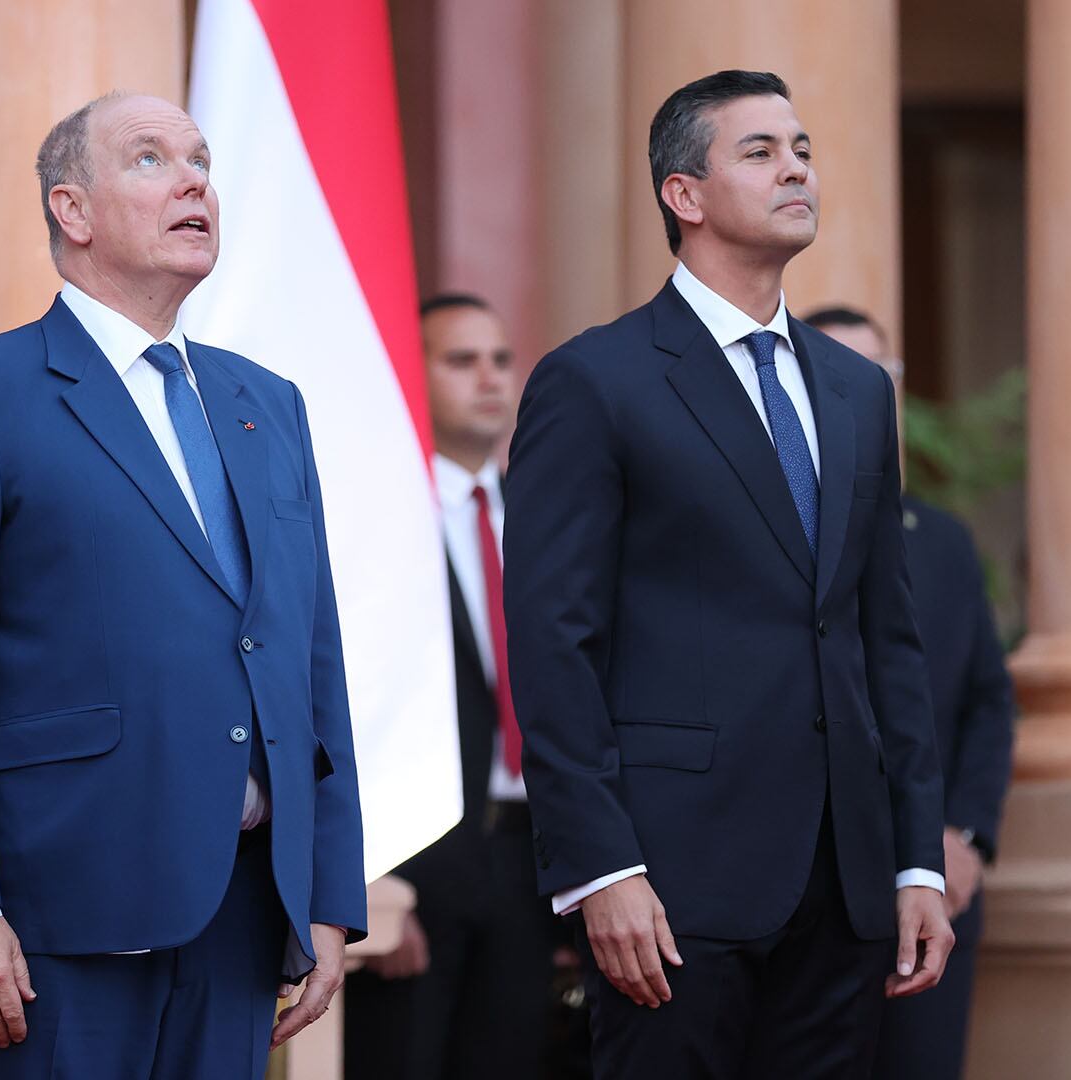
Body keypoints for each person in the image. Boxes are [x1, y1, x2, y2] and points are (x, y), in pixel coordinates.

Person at [0, 92, 367, 1079]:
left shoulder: (267, 402)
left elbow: (311, 659)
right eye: (150, 159)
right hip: (60, 917)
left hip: (240, 910)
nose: (194, 181)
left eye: (202, 160)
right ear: (73, 210)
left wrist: (330, 895)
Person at [503, 70, 956, 1078]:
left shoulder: (849, 389)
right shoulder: (596, 380)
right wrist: (599, 865)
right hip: (671, 882)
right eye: (759, 151)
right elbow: (550, 640)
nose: (795, 167)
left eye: (800, 149)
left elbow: (889, 636)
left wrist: (916, 857)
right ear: (685, 194)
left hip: (845, 882)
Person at [344, 294, 562, 1079]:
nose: (490, 378)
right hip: (415, 867)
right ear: (417, 369)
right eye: (461, 360)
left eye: (502, 360)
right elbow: (346, 702)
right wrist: (369, 885)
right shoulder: (377, 520)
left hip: (531, 862)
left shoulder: (546, 521)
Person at [803, 306, 1016, 1080]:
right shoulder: (770, 531)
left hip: (936, 883)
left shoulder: (946, 541)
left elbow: (988, 700)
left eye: (881, 377)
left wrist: (965, 835)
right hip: (808, 887)